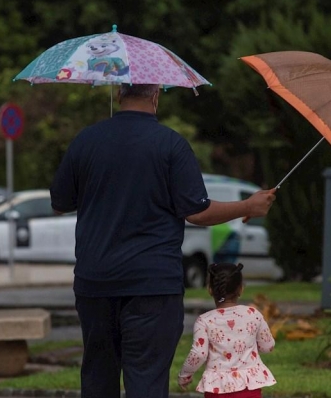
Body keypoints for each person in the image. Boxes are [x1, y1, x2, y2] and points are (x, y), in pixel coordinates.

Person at [50, 83, 277, 398]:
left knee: (98, 379)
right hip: (152, 286)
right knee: (146, 382)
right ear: (156, 94)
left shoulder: (85, 140)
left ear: (119, 94)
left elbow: (59, 202)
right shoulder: (171, 145)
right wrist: (247, 206)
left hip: (95, 283)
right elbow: (196, 212)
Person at [177, 263, 276, 397]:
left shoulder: (205, 321)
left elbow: (199, 354)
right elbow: (267, 346)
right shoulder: (253, 314)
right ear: (241, 289)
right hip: (249, 387)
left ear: (210, 289)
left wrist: (185, 374)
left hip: (218, 388)